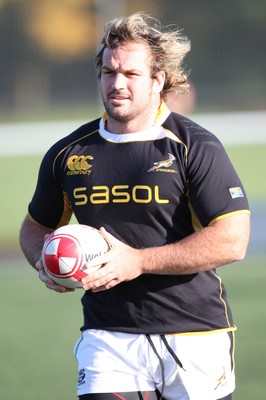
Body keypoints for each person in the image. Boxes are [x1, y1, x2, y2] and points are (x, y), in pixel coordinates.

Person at [20, 12, 250, 400]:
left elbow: (233, 240)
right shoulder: (68, 153)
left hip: (194, 335)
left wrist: (138, 261)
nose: (117, 84)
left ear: (158, 80)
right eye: (109, 72)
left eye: (131, 74)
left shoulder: (194, 145)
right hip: (108, 338)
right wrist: (45, 261)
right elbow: (35, 227)